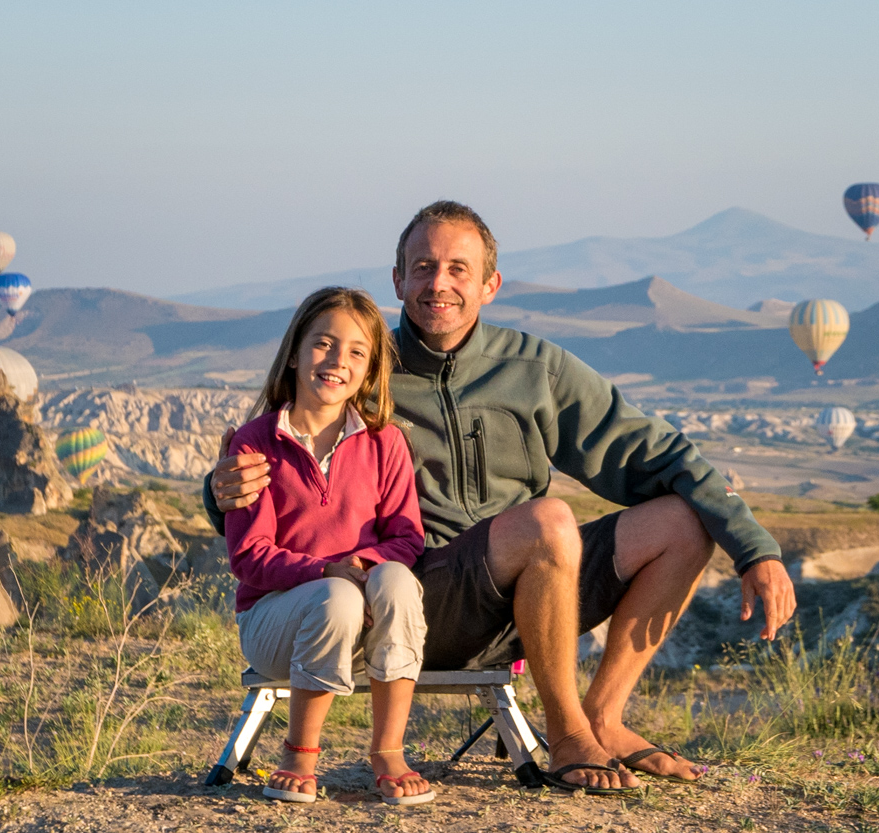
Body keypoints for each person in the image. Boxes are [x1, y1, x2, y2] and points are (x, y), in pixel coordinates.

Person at [208, 201, 798, 795]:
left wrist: (755, 550)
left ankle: (602, 719)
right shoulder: (365, 368)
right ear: (398, 281)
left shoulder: (535, 368)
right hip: (418, 594)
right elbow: (283, 464)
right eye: (422, 267)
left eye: (458, 269)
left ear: (490, 284)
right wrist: (218, 491)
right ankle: (567, 737)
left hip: (536, 588)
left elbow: (660, 454)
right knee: (547, 520)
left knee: (682, 523)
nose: (439, 284)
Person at [222, 287, 435, 806]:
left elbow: (407, 537)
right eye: (323, 344)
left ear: (369, 370)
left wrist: (361, 564)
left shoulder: (385, 443)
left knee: (398, 579)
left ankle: (388, 751)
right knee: (335, 597)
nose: (338, 361)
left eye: (357, 352)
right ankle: (300, 753)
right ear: (294, 353)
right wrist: (327, 572)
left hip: (365, 628)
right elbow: (249, 556)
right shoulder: (254, 444)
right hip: (275, 626)